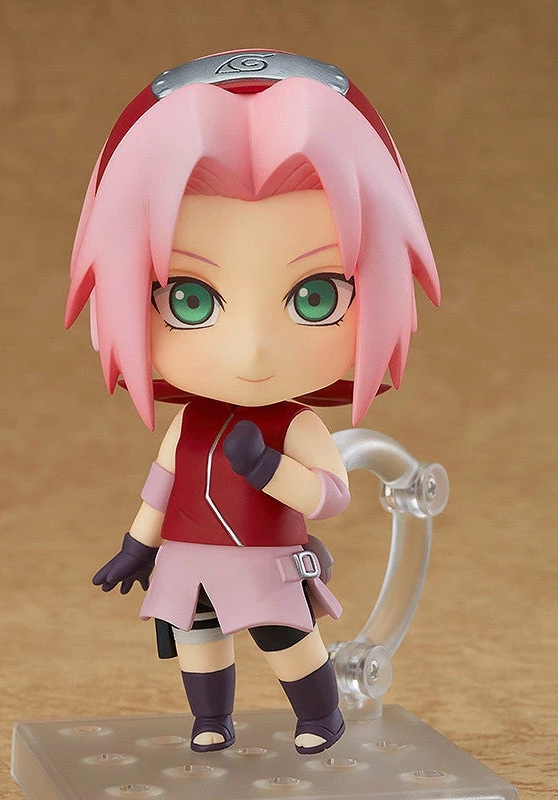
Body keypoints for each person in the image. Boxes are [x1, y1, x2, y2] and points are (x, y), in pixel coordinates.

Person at [65, 50, 439, 755]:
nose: (253, 351)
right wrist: (137, 545)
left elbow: (330, 495)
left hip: (265, 558)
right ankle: (211, 719)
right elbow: (162, 483)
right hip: (189, 557)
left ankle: (320, 717)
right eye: (190, 300)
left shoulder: (295, 424)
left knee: (287, 638)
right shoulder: (189, 423)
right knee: (197, 639)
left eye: (315, 297)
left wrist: (268, 469)